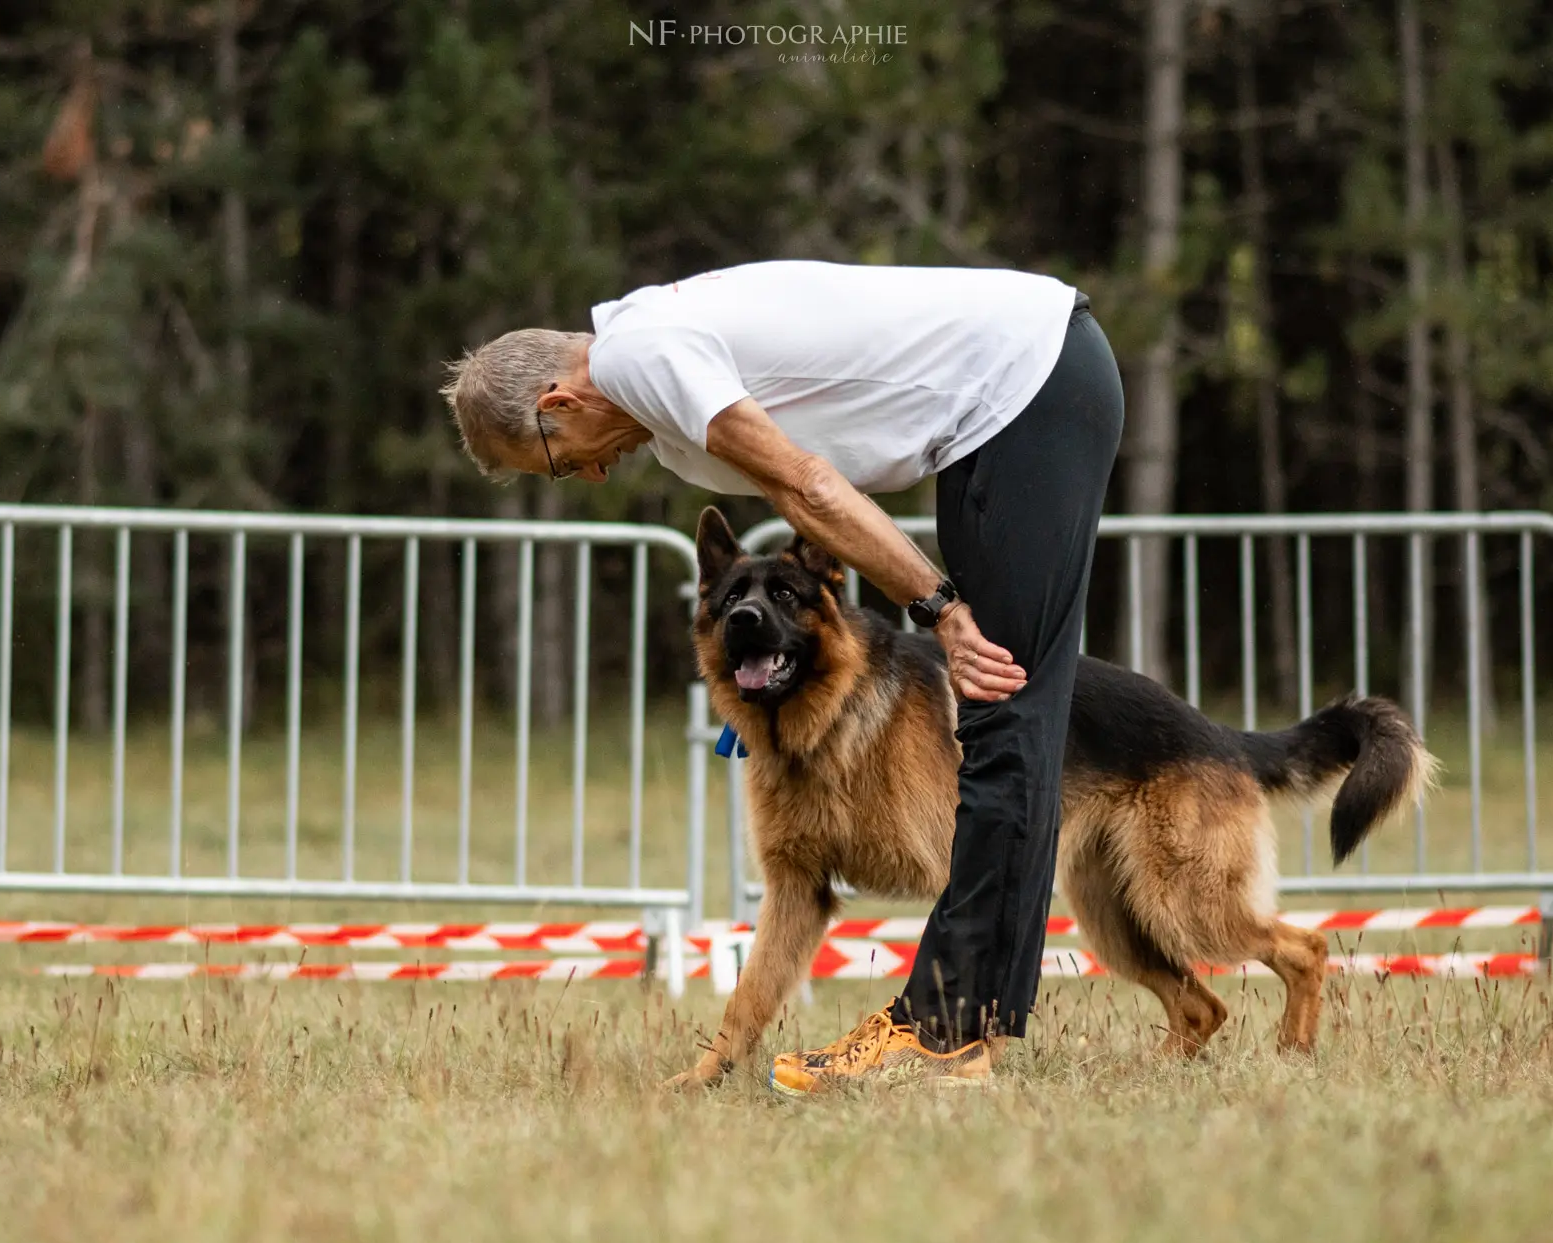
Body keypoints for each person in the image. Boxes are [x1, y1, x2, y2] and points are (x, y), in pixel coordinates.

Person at [440, 260, 1124, 1092]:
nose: (590, 474)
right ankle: (961, 1025)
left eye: (559, 462)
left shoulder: (645, 357)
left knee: (1001, 697)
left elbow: (809, 485)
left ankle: (947, 1029)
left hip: (1032, 378)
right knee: (1002, 707)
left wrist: (939, 608)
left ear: (558, 405)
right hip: (1004, 403)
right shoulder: (659, 397)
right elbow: (814, 491)